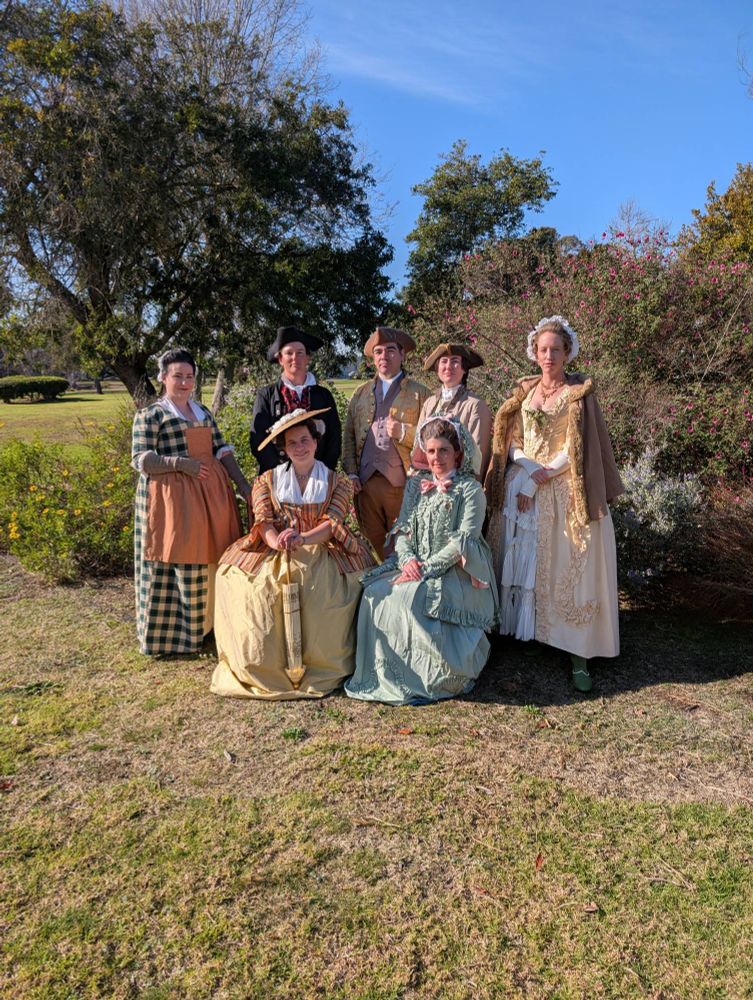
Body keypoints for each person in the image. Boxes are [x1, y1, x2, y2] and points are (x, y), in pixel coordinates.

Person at [484, 316, 624, 692]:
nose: (549, 356)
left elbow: (580, 445)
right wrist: (529, 470)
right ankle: (523, 631)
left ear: (567, 353)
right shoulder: (524, 393)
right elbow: (510, 439)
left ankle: (577, 649)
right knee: (521, 557)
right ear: (534, 353)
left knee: (567, 562)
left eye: (555, 350)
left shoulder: (579, 394)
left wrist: (548, 472)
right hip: (524, 480)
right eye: (543, 350)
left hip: (565, 485)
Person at [211, 408, 375, 700]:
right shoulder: (267, 481)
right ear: (284, 450)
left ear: (316, 441)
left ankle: (324, 664)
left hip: (323, 547)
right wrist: (276, 541)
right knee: (250, 588)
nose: (300, 447)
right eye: (292, 443)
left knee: (323, 595)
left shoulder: (338, 483)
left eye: (305, 440)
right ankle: (264, 667)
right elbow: (262, 520)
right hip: (275, 547)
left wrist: (302, 537)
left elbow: (332, 524)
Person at [345, 416, 498, 706]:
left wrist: (425, 569)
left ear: (458, 453)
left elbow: (462, 543)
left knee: (411, 599)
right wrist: (407, 561)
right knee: (375, 593)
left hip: (457, 570)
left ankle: (426, 675)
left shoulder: (471, 490)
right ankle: (382, 675)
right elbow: (403, 529)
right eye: (430, 451)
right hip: (415, 564)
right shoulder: (418, 485)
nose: (436, 458)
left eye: (443, 450)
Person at [131, 348, 249, 656]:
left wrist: (243, 484)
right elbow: (141, 460)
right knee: (180, 560)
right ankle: (177, 637)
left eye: (189, 377)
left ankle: (209, 627)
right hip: (172, 502)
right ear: (163, 378)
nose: (184, 383)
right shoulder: (151, 415)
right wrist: (181, 464)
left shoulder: (203, 413)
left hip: (210, 497)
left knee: (213, 559)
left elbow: (222, 449)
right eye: (177, 376)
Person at [342, 326, 430, 559]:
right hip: (365, 484)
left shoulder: (421, 393)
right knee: (375, 544)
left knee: (406, 544)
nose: (384, 356)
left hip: (403, 485)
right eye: (378, 352)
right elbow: (349, 437)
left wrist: (404, 432)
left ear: (402, 355)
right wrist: (351, 473)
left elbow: (433, 438)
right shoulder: (360, 394)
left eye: (391, 350)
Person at [250, 325, 341, 473]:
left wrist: (323, 471)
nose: (295, 358)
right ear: (280, 359)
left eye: (300, 352)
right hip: (278, 476)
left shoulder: (324, 395)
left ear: (307, 357)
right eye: (289, 353)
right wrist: (284, 474)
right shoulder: (266, 395)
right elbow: (258, 439)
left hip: (319, 477)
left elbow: (334, 438)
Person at [413, 342, 493, 480]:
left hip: (459, 487)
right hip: (428, 484)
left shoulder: (475, 405)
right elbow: (418, 447)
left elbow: (477, 457)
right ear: (438, 369)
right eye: (444, 361)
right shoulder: (429, 404)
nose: (448, 366)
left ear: (464, 369)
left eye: (455, 361)